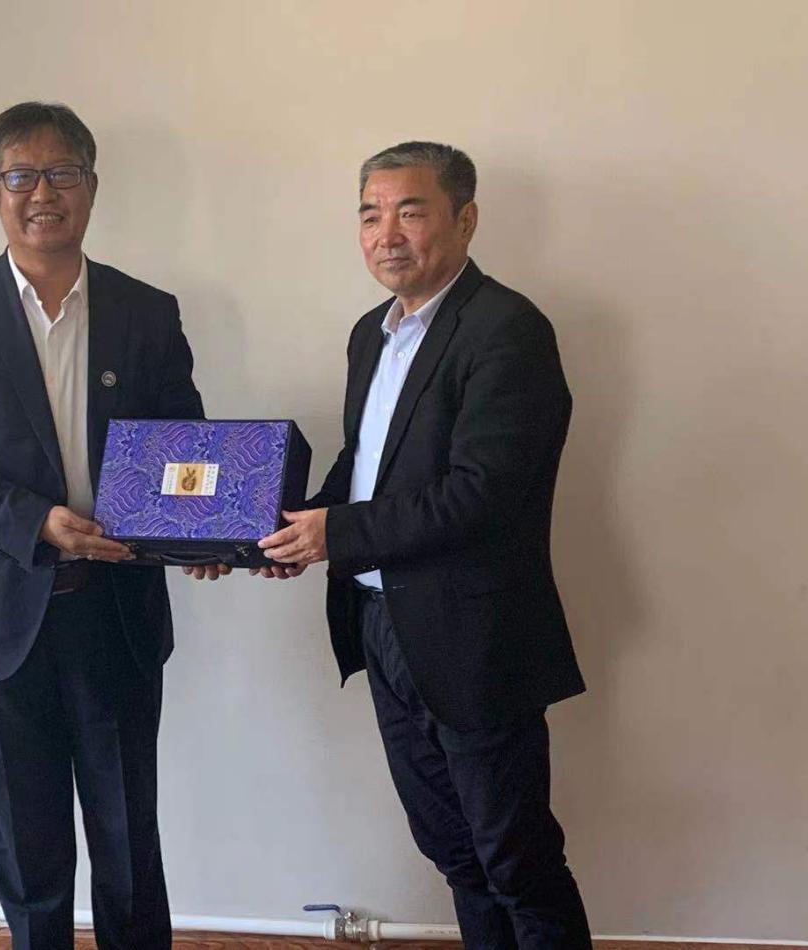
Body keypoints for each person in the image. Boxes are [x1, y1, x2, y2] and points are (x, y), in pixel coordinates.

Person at [0, 101, 222, 950]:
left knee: (126, 833)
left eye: (62, 173)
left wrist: (203, 529)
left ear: (91, 185)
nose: (43, 193)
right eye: (21, 175)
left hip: (114, 607)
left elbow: (182, 444)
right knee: (25, 836)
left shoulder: (146, 311)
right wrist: (36, 520)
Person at [257, 141, 591, 950]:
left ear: (464, 220)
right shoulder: (370, 335)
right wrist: (275, 533)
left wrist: (335, 533)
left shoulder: (506, 329)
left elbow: (481, 493)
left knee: (515, 859)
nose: (386, 234)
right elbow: (364, 466)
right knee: (454, 853)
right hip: (383, 622)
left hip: (474, 635)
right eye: (369, 215)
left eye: (410, 212)